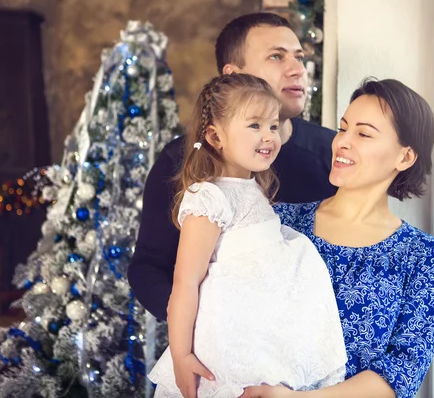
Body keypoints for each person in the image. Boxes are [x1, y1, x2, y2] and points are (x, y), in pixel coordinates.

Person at [242, 79, 434, 398]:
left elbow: (402, 372)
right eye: (343, 128)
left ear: (405, 157)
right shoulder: (276, 220)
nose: (342, 142)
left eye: (364, 133)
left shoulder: (424, 256)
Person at [147, 73, 347, 398]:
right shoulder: (209, 197)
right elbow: (186, 281)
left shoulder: (254, 187)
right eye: (254, 126)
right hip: (226, 347)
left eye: (273, 125)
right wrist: (182, 355)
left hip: (260, 340)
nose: (268, 136)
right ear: (215, 136)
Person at [128, 13, 337, 321]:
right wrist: (206, 330)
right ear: (233, 74)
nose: (297, 70)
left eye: (299, 57)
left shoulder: (334, 154)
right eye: (276, 56)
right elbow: (149, 266)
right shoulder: (183, 159)